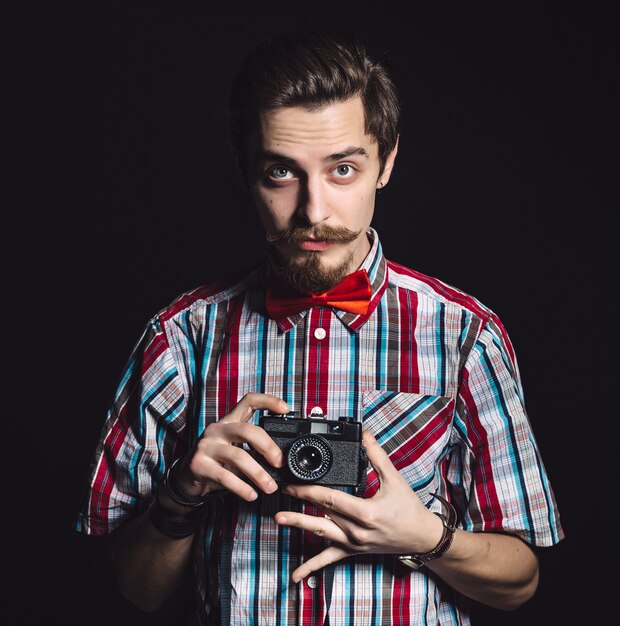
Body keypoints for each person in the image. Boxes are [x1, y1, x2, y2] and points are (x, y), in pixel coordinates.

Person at [76, 28, 564, 625]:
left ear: (386, 163)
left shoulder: (464, 335)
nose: (313, 210)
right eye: (281, 172)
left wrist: (424, 537)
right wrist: (183, 494)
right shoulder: (179, 339)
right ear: (244, 168)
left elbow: (520, 581)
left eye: (343, 170)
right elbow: (136, 589)